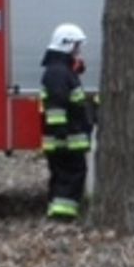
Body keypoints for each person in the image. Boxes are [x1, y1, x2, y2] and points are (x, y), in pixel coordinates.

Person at [39, 23, 92, 220]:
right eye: (76, 46)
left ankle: (56, 213)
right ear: (67, 45)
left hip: (65, 138)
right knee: (70, 176)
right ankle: (63, 217)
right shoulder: (58, 73)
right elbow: (57, 106)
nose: (78, 51)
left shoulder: (60, 70)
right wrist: (61, 132)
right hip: (66, 139)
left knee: (61, 176)